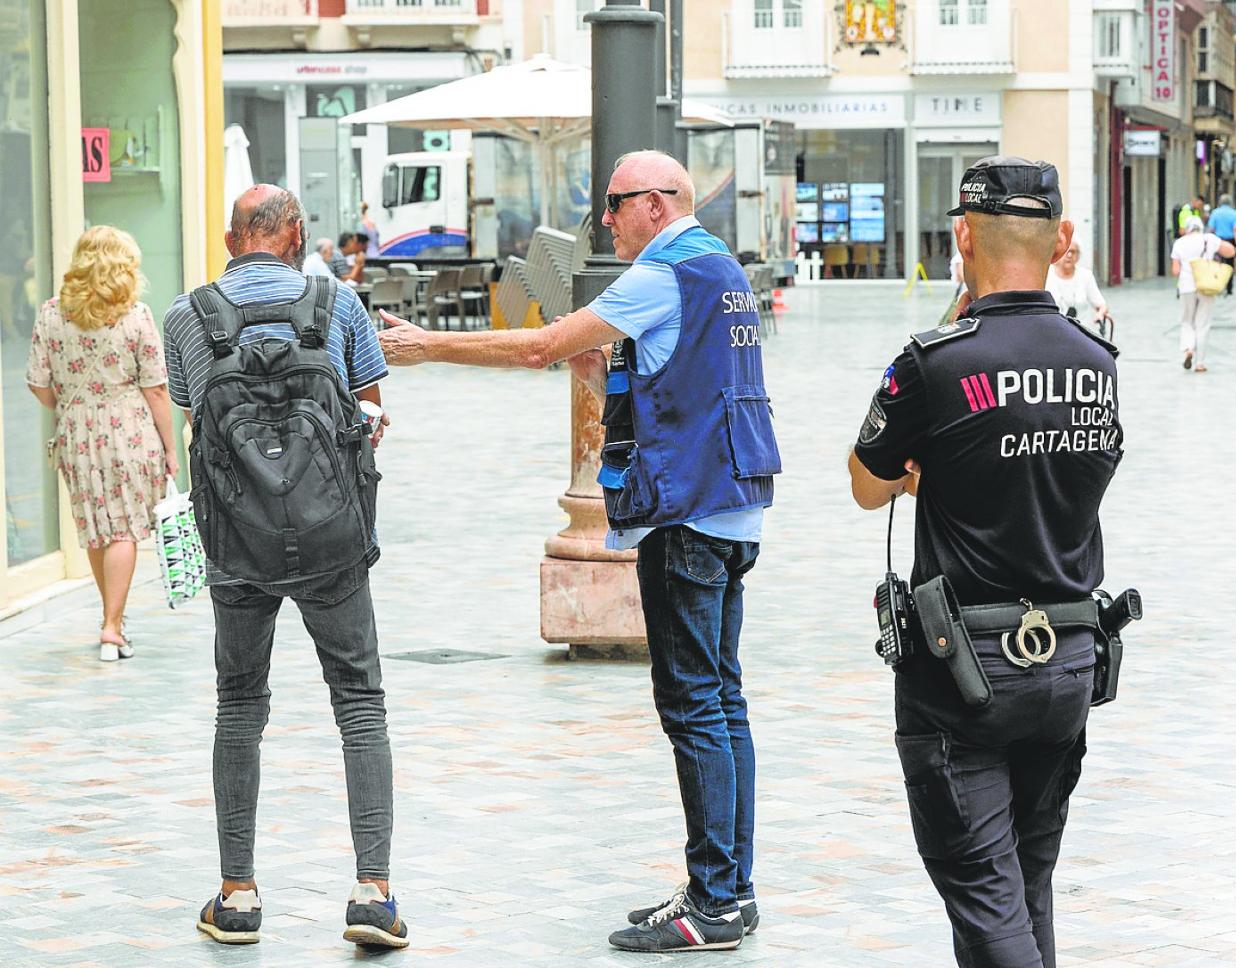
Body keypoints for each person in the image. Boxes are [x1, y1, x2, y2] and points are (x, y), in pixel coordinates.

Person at [376, 150, 780, 953]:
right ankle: (728, 888)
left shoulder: (663, 273)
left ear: (657, 205)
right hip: (735, 506)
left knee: (695, 703)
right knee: (723, 701)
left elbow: (543, 346)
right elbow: (666, 369)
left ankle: (715, 906)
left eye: (615, 202)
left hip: (689, 514)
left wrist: (427, 348)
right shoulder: (722, 267)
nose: (605, 218)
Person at [848, 157, 1125, 968]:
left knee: (982, 890)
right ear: (1060, 239)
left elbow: (868, 485)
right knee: (1024, 882)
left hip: (962, 673)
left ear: (961, 237)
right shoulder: (1097, 361)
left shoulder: (934, 364)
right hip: (1071, 660)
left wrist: (928, 463)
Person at [161, 185, 405, 950]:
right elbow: (367, 411)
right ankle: (372, 893)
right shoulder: (338, 304)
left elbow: (197, 418)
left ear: (231, 240)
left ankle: (237, 896)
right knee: (359, 702)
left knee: (239, 706)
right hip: (333, 538)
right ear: (295, 235)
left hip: (237, 545)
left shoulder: (187, 317)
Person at [25, 226, 178, 661]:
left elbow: (38, 383)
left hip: (77, 431)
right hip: (128, 426)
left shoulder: (52, 314)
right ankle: (113, 626)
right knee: (125, 527)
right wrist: (171, 448)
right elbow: (155, 389)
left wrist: (71, 404)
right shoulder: (136, 315)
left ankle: (112, 617)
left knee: (95, 527)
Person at [1170, 215, 1234, 372]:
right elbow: (1230, 251)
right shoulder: (1208, 239)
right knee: (1203, 323)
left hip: (1186, 286)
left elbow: (1175, 270)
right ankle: (1200, 363)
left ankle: (1188, 349)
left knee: (1186, 321)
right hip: (1206, 284)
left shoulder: (1179, 243)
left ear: (1187, 228)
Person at [1045, 237, 1109, 328]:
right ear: (1058, 253)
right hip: (1054, 330)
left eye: (1073, 252)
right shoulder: (1046, 274)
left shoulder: (1086, 275)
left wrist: (1100, 314)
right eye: (1066, 251)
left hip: (1082, 331)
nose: (1070, 255)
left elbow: (1102, 305)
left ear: (1078, 256)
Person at [1206, 193, 1236, 295]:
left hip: (1218, 241)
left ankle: (1218, 285)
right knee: (1229, 265)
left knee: (1217, 263)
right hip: (1230, 241)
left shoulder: (1215, 213)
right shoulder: (1235, 214)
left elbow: (1211, 228)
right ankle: (1229, 288)